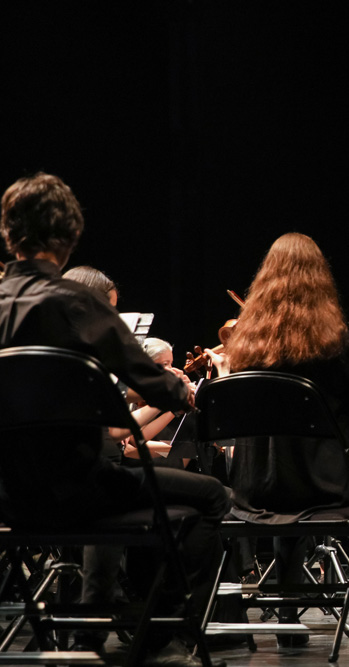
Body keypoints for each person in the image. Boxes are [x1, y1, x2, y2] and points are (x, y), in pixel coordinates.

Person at [0, 172, 229, 666]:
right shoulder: (76, 303)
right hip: (80, 492)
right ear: (69, 238)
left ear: (8, 234)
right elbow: (155, 382)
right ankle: (161, 633)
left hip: (8, 498)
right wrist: (180, 391)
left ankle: (97, 627)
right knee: (211, 496)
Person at [206, 231, 349, 649]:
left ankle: (286, 616)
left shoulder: (244, 345)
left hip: (254, 490)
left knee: (284, 501)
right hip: (325, 487)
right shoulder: (335, 341)